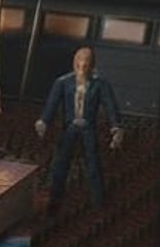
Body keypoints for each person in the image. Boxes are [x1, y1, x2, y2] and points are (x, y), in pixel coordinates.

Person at [36, 46, 123, 209]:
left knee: (93, 164)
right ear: (74, 64)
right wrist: (43, 121)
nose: (82, 68)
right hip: (69, 127)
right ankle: (54, 201)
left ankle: (99, 202)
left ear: (92, 66)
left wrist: (116, 127)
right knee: (61, 165)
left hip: (88, 127)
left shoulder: (100, 84)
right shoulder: (62, 82)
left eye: (86, 65)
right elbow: (52, 104)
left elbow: (110, 106)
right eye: (79, 64)